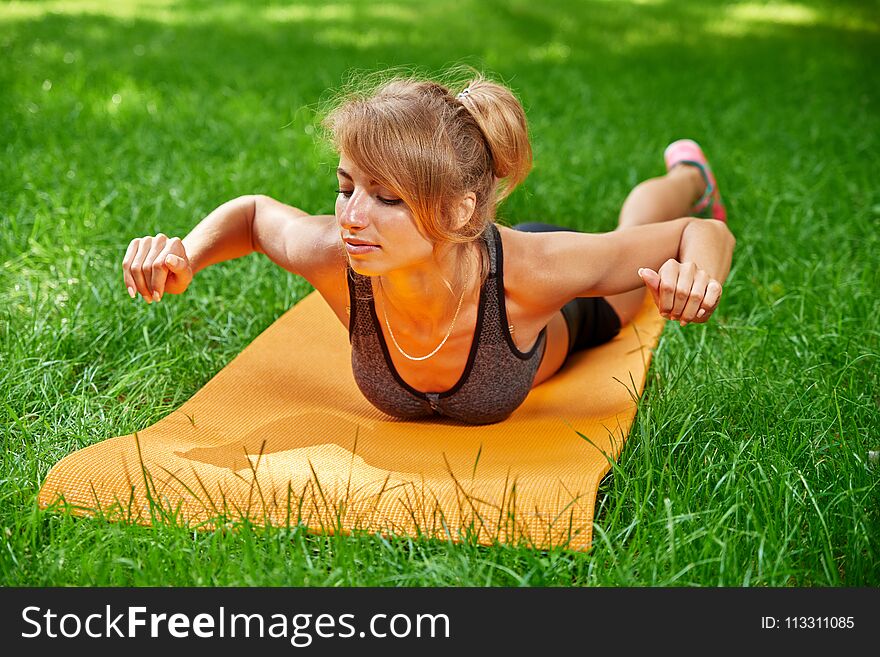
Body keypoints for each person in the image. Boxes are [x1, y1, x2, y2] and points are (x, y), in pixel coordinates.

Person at [121, 71, 735, 425]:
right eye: (344, 187)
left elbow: (699, 237)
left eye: (387, 199)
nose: (353, 216)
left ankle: (688, 177)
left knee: (632, 237)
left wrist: (699, 277)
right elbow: (254, 217)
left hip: (564, 303)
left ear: (460, 209)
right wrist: (187, 255)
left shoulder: (534, 273)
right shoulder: (338, 253)